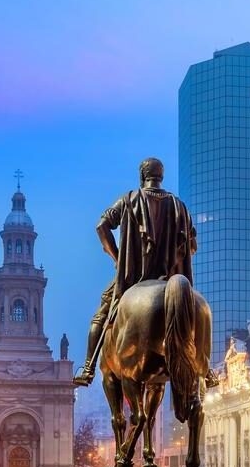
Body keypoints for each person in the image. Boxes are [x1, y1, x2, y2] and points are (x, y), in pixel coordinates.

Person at [74, 157, 216, 388]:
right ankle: (206, 369)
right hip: (171, 277)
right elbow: (192, 246)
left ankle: (88, 367)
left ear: (143, 176)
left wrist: (118, 258)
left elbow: (101, 226)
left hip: (132, 278)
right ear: (161, 176)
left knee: (101, 314)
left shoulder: (129, 199)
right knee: (196, 313)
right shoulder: (179, 206)